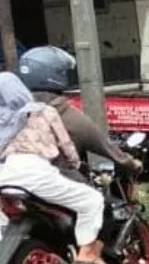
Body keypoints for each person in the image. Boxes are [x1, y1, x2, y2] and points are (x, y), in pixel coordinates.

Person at [0, 72, 108, 264]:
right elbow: (66, 146)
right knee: (92, 200)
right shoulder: (44, 112)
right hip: (35, 172)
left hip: (4, 175)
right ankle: (86, 254)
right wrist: (75, 165)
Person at [16, 46, 141, 182]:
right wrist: (132, 164)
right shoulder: (67, 115)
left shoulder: (12, 111)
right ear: (58, 76)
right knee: (95, 201)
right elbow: (105, 146)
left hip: (13, 184)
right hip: (54, 186)